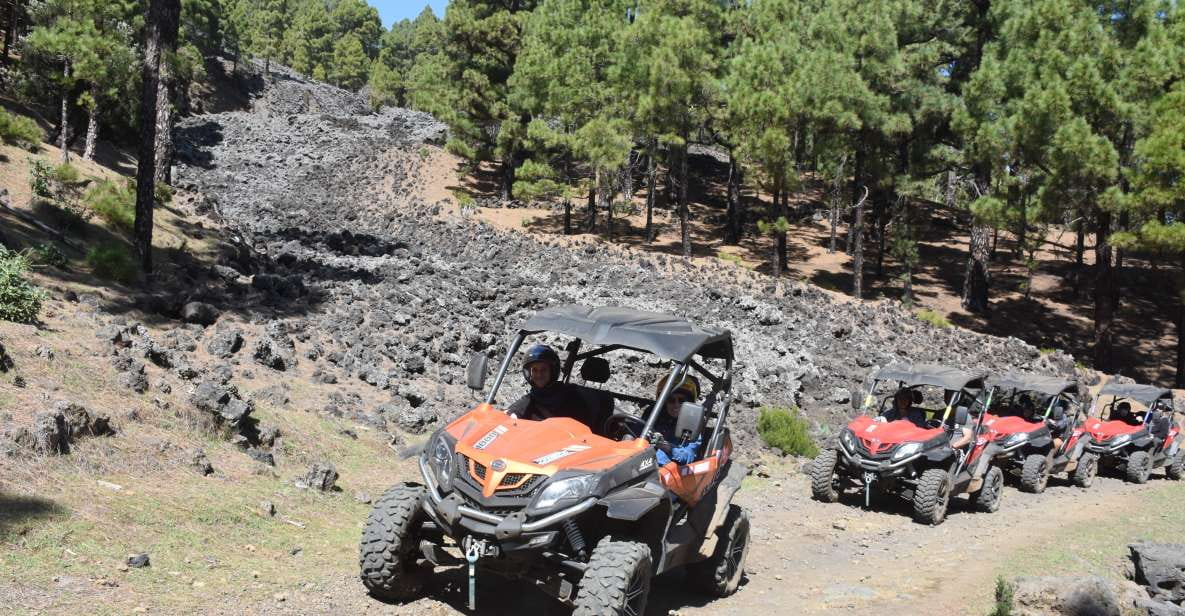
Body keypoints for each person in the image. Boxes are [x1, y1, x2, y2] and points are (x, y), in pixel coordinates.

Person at [507, 345, 595, 424]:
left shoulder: (571, 395)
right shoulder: (530, 399)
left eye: (544, 370)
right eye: (534, 370)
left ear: (552, 371)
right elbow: (509, 415)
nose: (539, 374)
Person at [651, 375, 703, 466]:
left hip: (664, 470)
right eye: (671, 400)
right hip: (639, 462)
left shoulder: (692, 427)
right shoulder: (652, 417)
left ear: (689, 403)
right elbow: (635, 434)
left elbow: (688, 456)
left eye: (681, 400)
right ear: (664, 402)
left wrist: (667, 448)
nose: (676, 405)